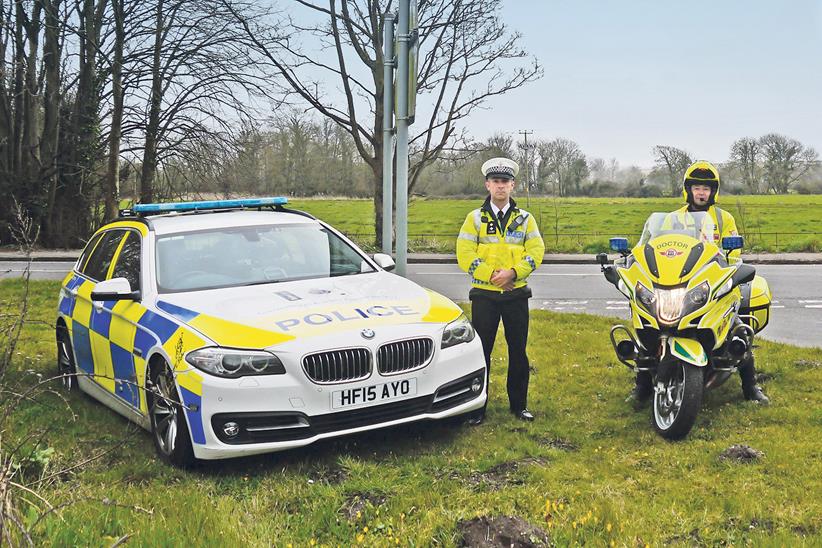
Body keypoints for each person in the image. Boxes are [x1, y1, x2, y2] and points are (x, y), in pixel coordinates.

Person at [628, 160, 769, 404]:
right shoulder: (672, 218)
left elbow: (733, 255)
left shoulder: (724, 219)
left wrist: (727, 271)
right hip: (679, 282)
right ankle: (641, 386)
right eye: (696, 187)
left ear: (713, 191)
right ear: (688, 190)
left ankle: (751, 387)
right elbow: (653, 247)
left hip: (713, 282)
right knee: (648, 324)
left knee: (738, 330)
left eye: (706, 188)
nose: (701, 192)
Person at [456, 157, 545, 424]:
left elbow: (536, 251)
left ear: (513, 186)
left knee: (518, 351)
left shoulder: (525, 219)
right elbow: (464, 253)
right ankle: (477, 407)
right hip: (485, 296)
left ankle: (519, 406)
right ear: (487, 185)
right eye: (495, 182)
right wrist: (493, 277)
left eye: (505, 182)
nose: (500, 186)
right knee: (481, 352)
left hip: (516, 295)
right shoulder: (474, 218)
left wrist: (514, 274)